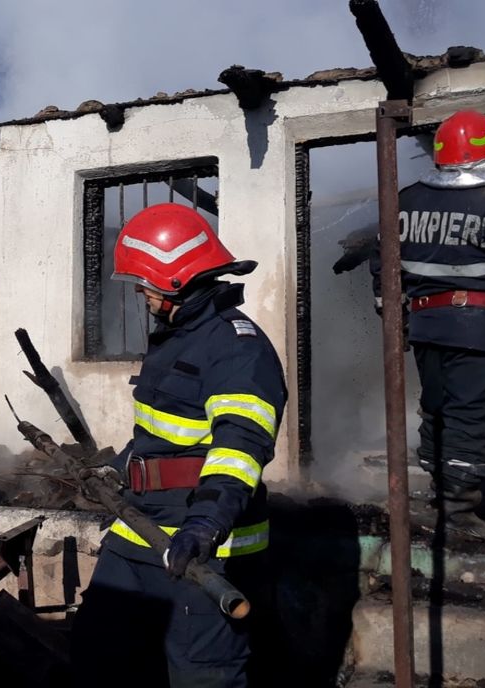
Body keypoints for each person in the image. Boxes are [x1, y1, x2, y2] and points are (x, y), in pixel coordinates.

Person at [70, 204, 287, 687]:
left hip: (201, 543)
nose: (140, 294)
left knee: (201, 676)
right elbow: (161, 434)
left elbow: (240, 447)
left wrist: (205, 525)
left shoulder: (238, 348)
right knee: (99, 654)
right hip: (139, 531)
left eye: (144, 283)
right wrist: (120, 468)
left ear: (174, 282)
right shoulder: (175, 339)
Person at [370, 109, 485, 530]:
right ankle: (457, 514)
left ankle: (439, 501)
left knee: (438, 412)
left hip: (427, 329)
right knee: (474, 417)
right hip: (483, 332)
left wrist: (397, 320)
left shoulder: (405, 200)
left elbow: (381, 267)